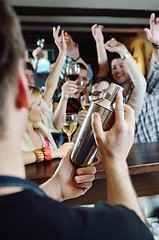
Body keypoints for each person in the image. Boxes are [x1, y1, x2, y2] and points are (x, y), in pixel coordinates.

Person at [0, 1, 154, 239]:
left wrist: (54, 189)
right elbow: (135, 233)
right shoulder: (86, 230)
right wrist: (115, 162)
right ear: (23, 90)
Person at [22, 86, 73, 165]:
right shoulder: (12, 135)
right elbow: (14, 158)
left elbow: (50, 86)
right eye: (39, 104)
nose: (43, 107)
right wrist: (55, 153)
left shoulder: (40, 126)